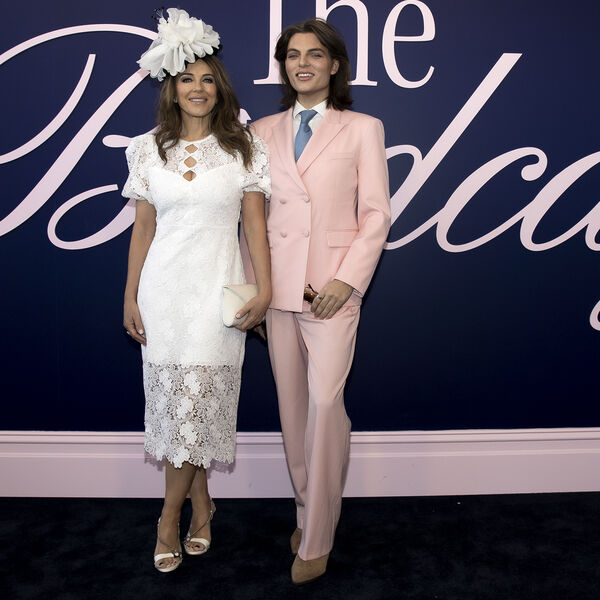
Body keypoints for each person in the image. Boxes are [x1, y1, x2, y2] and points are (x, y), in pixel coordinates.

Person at [122, 8, 271, 573]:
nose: (199, 88)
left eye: (208, 79)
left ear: (220, 88)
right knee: (179, 409)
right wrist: (130, 296)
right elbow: (142, 230)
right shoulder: (145, 150)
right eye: (188, 78)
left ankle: (167, 517)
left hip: (216, 295)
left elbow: (254, 227)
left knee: (197, 404)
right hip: (163, 295)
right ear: (172, 87)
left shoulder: (245, 148)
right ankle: (202, 505)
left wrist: (265, 289)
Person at [247, 18, 391, 584]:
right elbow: (250, 220)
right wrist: (255, 292)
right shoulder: (259, 131)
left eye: (314, 54)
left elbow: (376, 214)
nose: (302, 63)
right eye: (292, 55)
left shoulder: (363, 129)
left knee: (327, 407)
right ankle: (309, 510)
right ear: (284, 66)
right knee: (293, 414)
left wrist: (346, 281)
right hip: (278, 292)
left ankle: (318, 539)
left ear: (334, 65)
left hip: (332, 292)